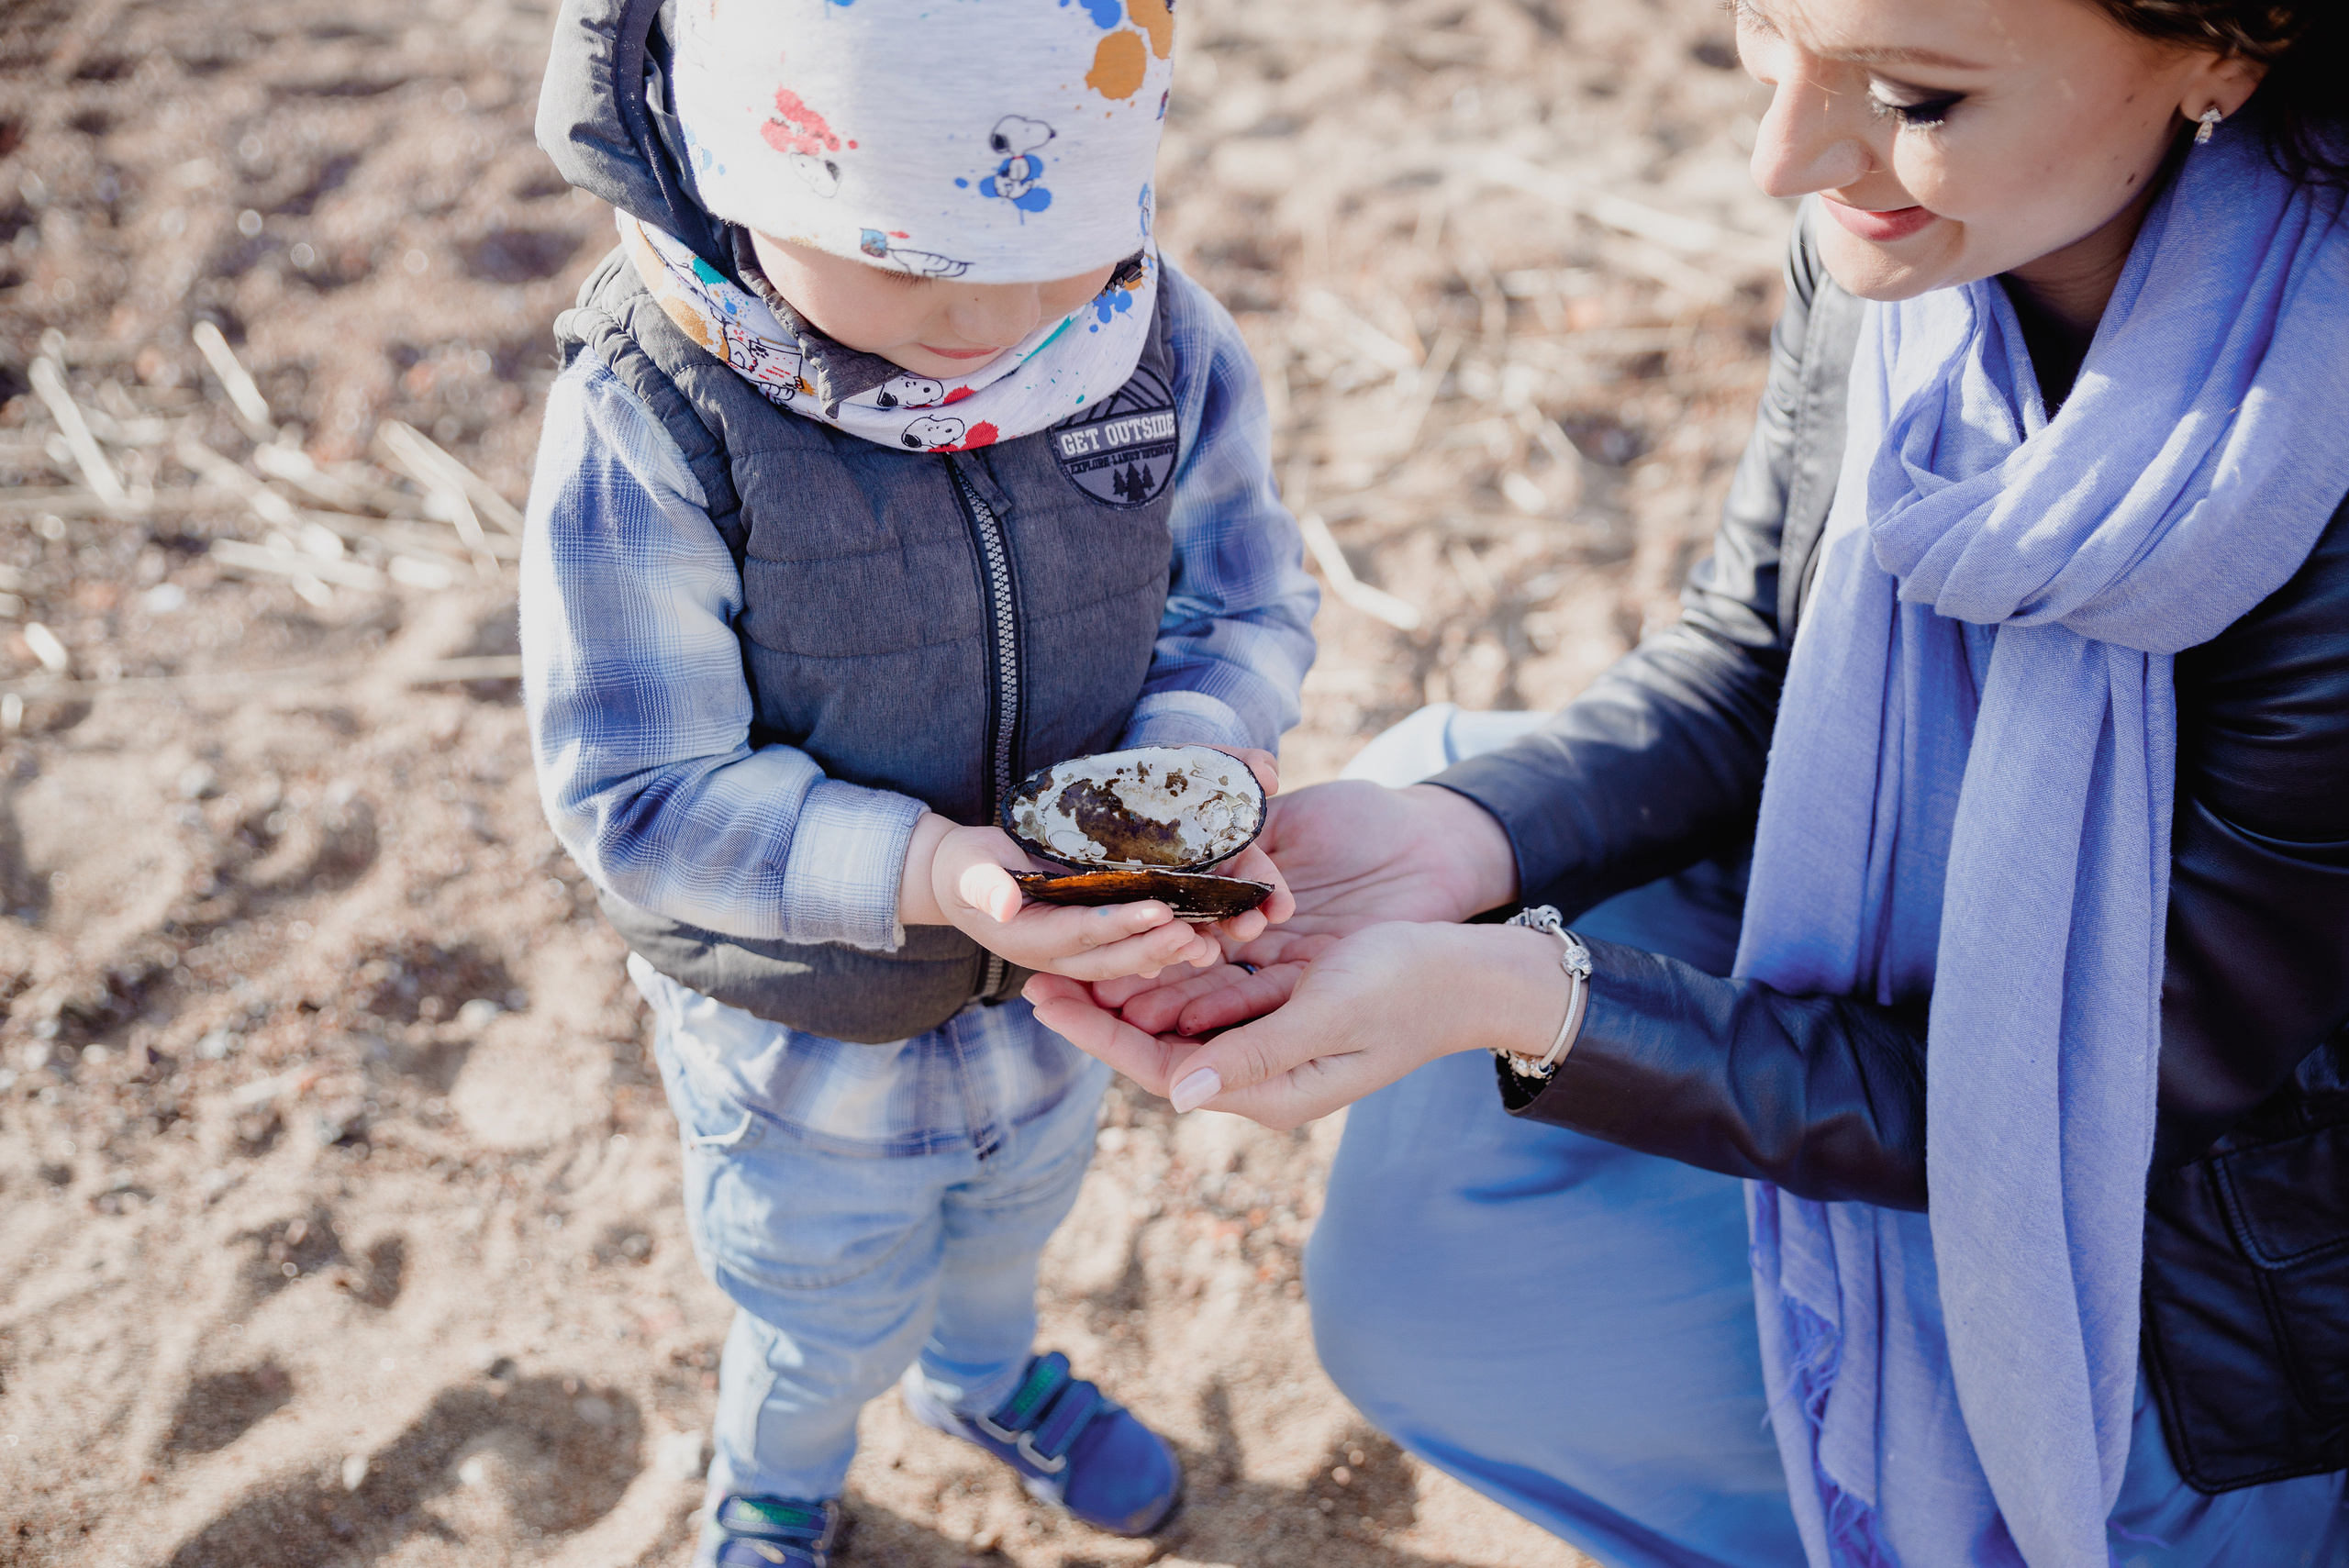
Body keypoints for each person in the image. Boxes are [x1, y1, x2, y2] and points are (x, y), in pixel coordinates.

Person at [1031, 1, 2349, 1563]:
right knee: (1429, 785)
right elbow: (1755, 663)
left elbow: (2085, 1091)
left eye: (1917, 94)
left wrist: (1525, 997)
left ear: (2226, 48)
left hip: (2204, 1232)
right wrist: (1458, 846)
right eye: (1763, 25)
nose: (1779, 152)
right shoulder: (1901, 255)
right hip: (1948, 1009)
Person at [521, 1, 1316, 1562]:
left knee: (1013, 1225)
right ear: (753, 153)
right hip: (807, 1026)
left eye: (1062, 241)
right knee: (818, 1305)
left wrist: (1205, 776)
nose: (997, 317)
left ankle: (982, 1378)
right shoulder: (658, 402)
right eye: (911, 255)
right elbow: (640, 787)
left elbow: (1243, 600)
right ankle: (778, 1475)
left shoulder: (1150, 338)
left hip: (1058, 1003)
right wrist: (937, 874)